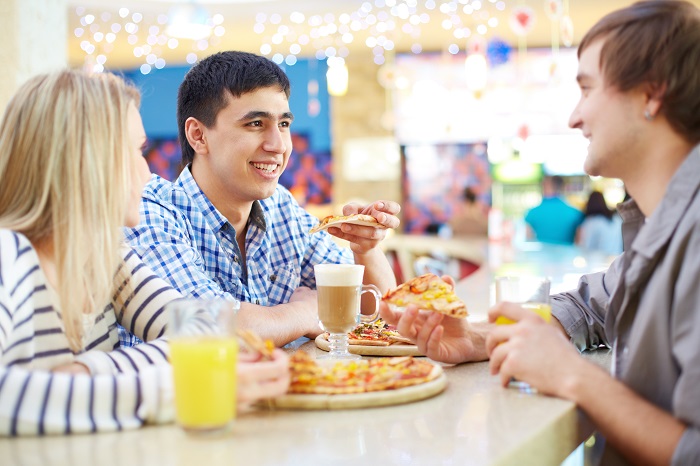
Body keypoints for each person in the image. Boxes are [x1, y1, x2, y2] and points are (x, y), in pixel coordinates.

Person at [381, 1, 700, 464]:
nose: (574, 117)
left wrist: (574, 376)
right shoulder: (660, 226)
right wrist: (478, 337)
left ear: (651, 95)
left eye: (587, 89)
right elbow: (586, 307)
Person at [0, 70, 289, 436]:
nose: (148, 172)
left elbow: (205, 330)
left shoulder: (107, 261)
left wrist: (87, 371)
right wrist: (176, 386)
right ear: (84, 162)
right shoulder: (7, 257)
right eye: (137, 151)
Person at [125, 51, 399, 347]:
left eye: (283, 124)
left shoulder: (280, 207)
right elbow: (209, 332)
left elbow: (379, 315)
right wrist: (305, 312)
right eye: (255, 123)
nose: (279, 145)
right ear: (198, 136)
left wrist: (366, 250)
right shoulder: (151, 212)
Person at [524, 175, 583, 244]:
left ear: (545, 187)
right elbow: (580, 243)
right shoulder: (575, 213)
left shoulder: (532, 213)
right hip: (568, 253)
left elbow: (529, 240)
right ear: (561, 187)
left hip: (541, 254)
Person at [577, 190, 623, 255]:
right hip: (616, 260)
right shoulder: (617, 220)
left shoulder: (590, 222)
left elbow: (582, 247)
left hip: (597, 262)